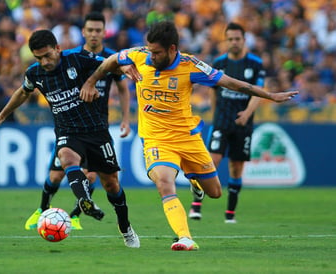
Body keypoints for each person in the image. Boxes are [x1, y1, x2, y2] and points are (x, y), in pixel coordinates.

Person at [80, 21, 298, 251]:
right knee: (164, 182)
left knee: (214, 192)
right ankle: (184, 237)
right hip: (156, 139)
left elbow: (232, 83)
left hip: (187, 138)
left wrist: (270, 96)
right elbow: (112, 60)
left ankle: (194, 179)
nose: (151, 57)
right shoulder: (139, 54)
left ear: (172, 49)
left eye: (157, 52)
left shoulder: (190, 65)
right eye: (150, 51)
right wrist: (92, 81)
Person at [0, 28, 139, 248]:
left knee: (111, 184)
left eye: (47, 55)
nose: (44, 61)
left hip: (96, 130)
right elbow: (23, 92)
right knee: (66, 157)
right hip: (67, 131)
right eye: (38, 58)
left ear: (58, 48)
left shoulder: (77, 58)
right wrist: (1, 116)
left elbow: (108, 62)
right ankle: (84, 199)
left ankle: (126, 228)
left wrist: (116, 69)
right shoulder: (35, 73)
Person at [24, 11, 131, 231]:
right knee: (56, 174)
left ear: (104, 32)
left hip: (97, 124)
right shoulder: (70, 58)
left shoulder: (110, 59)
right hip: (70, 126)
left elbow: (122, 86)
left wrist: (126, 118)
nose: (94, 35)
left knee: (92, 175)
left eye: (98, 30)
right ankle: (42, 209)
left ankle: (75, 214)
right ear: (83, 32)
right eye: (90, 30)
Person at [188, 22, 265, 223]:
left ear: (244, 40)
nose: (234, 42)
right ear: (226, 40)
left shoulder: (255, 63)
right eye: (230, 39)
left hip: (243, 123)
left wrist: (248, 113)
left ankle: (230, 214)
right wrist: (216, 114)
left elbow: (258, 92)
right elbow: (213, 91)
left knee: (236, 167)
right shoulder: (220, 62)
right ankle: (196, 206)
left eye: (237, 39)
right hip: (221, 122)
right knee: (210, 162)